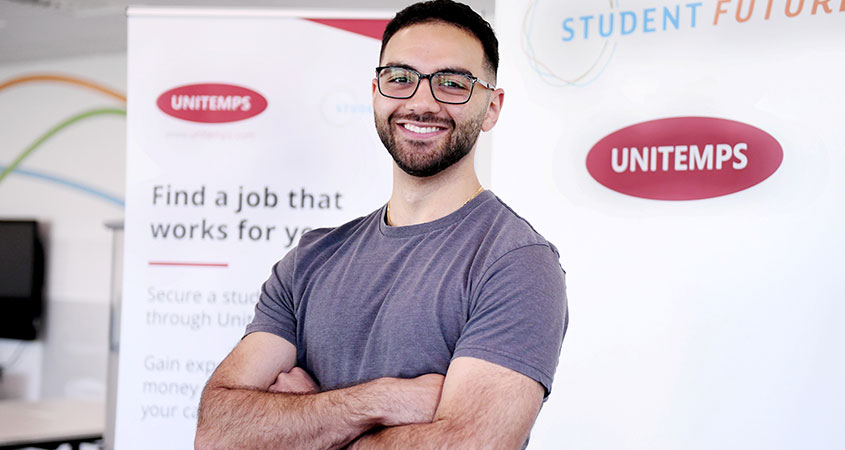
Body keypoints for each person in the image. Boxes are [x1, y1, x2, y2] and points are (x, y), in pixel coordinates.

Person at [194, 1, 568, 448]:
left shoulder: (514, 264)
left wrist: (308, 425)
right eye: (401, 78)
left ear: (491, 108)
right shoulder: (310, 260)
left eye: (453, 83)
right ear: (375, 92)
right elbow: (217, 433)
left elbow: (471, 445)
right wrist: (382, 400)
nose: (422, 101)